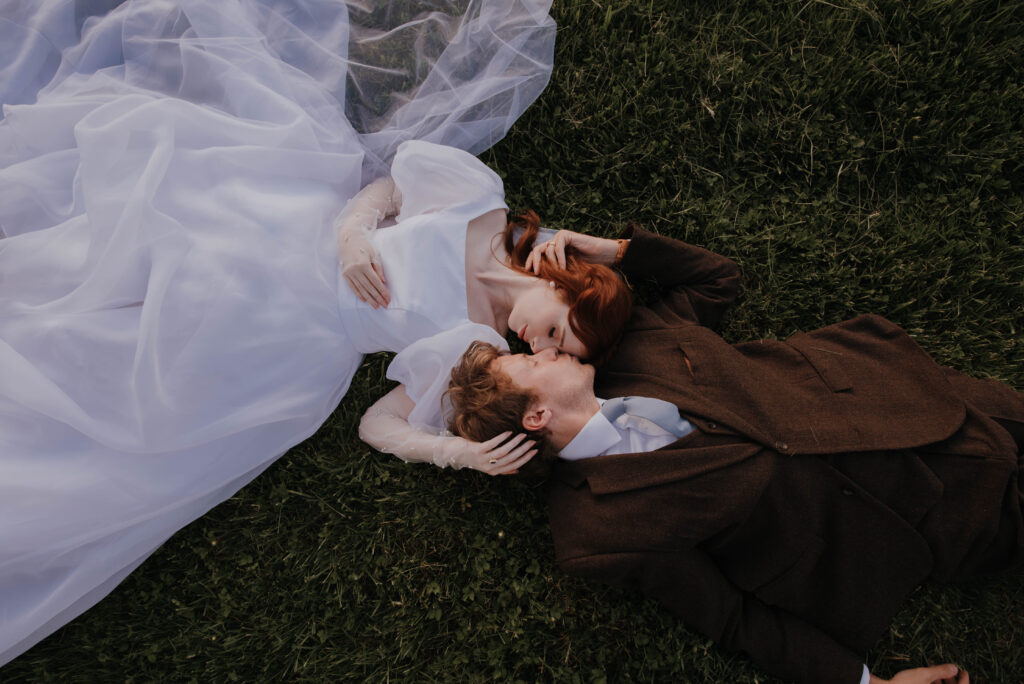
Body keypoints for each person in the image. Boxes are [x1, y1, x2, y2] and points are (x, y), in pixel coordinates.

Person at [0, 0, 628, 666]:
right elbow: (390, 188)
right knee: (126, 236)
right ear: (561, 282)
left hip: (292, 334)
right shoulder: (481, 202)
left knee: (124, 367)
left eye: (559, 353)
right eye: (560, 329)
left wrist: (457, 454)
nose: (545, 348)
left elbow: (379, 425)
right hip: (290, 231)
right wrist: (354, 234)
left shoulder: (481, 345)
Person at [443, 225, 1024, 684]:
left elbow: (717, 278)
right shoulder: (594, 532)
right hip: (921, 519)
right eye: (529, 361)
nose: (543, 351)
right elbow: (732, 619)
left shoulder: (637, 344)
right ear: (535, 416)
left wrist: (619, 250)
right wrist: (873, 682)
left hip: (903, 397)